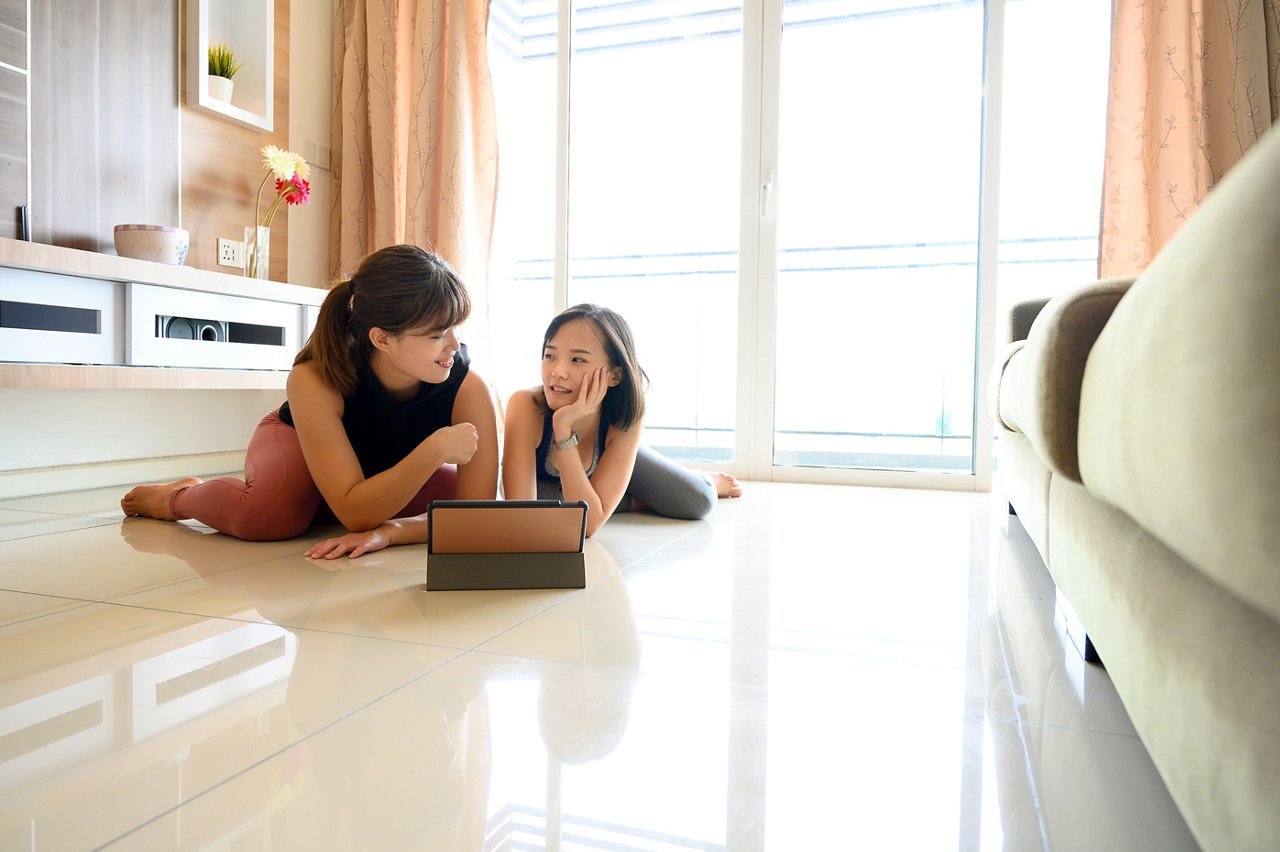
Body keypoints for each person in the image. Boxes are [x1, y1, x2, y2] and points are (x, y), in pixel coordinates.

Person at [120, 244, 499, 541]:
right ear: (382, 338)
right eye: (436, 335)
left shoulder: (467, 386)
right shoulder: (315, 377)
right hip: (296, 443)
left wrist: (393, 532)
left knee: (450, 496)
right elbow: (356, 516)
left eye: (455, 328)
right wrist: (434, 449)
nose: (454, 345)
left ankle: (317, 503)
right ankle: (178, 497)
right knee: (267, 517)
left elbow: (474, 518)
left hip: (376, 467)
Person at [305, 303, 739, 559]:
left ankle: (697, 479)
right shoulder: (526, 407)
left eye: (578, 360)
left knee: (696, 502)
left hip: (602, 458)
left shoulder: (627, 416)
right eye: (551, 356)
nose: (558, 372)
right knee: (551, 507)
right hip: (553, 485)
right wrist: (392, 531)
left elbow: (587, 527)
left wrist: (567, 434)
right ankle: (623, 494)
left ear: (614, 376)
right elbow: (525, 515)